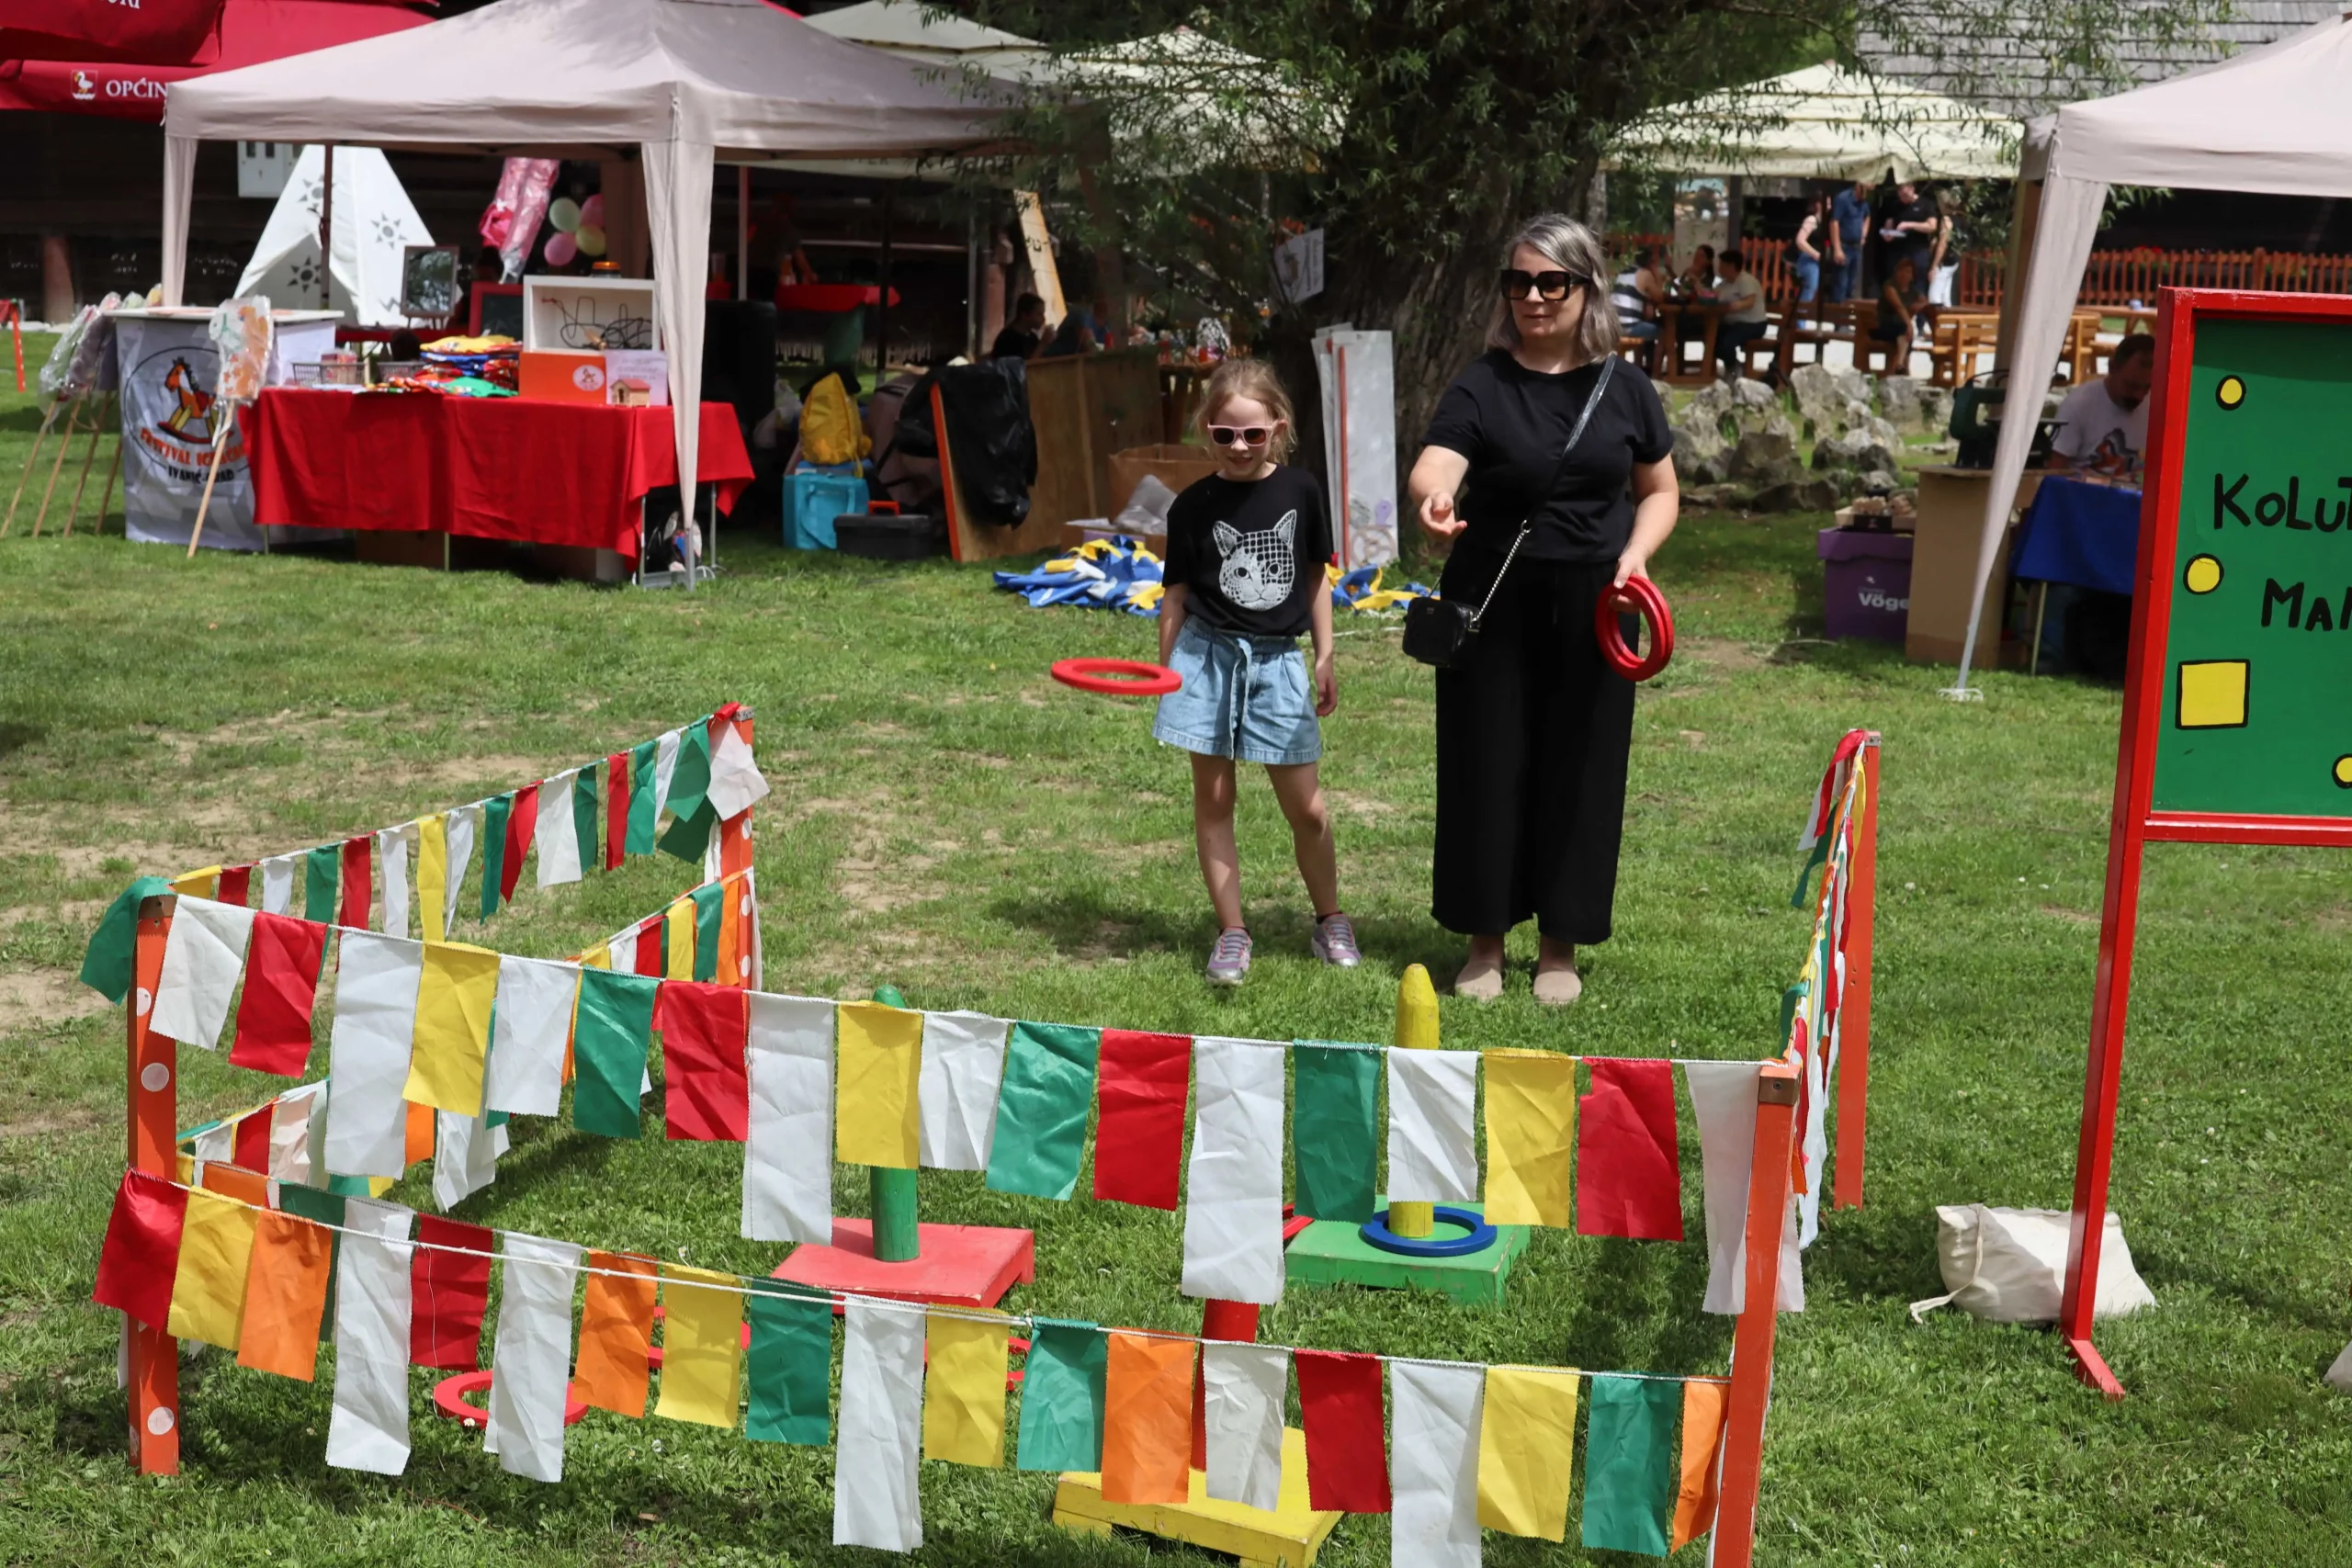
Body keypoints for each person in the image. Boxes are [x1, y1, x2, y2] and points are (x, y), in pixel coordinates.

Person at [1408, 214, 1679, 1004]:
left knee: (1582, 768)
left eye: (1550, 281)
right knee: (1484, 765)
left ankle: (1559, 947)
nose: (1532, 295)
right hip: (1490, 596)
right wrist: (1436, 496)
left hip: (1598, 597)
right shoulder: (1483, 381)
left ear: (1585, 288)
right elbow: (1438, 458)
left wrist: (1634, 555)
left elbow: (1660, 492)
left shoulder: (1624, 386)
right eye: (1519, 280)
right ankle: (1484, 944)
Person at [1154, 356, 1355, 986]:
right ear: (1207, 430)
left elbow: (1318, 576)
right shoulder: (1191, 507)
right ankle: (1233, 932)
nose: (1238, 446)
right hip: (1206, 658)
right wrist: (1167, 675)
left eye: (1252, 434)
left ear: (1277, 426)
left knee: (1309, 809)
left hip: (1276, 663)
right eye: (1224, 435)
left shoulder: (1300, 491)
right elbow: (1177, 596)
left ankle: (1330, 918)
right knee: (1214, 802)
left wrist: (1324, 655)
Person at [2047, 333, 2156, 477]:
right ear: (2112, 368)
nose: (2140, 395)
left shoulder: (2156, 406)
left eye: (2147, 388)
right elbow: (2054, 472)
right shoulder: (2079, 404)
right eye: (2131, 386)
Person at [1713, 249, 1770, 377]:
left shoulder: (1745, 280)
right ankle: (1734, 364)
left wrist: (1732, 307)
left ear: (1731, 266)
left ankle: (1733, 368)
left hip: (1752, 324)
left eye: (1722, 265)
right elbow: (1712, 296)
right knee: (1711, 338)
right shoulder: (1724, 283)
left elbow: (1750, 301)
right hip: (1732, 323)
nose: (1719, 268)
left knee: (1727, 343)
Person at [1871, 254, 1931, 369]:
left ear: (1913, 276)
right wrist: (1910, 325)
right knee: (1904, 330)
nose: (1904, 274)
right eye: (1901, 270)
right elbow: (1899, 306)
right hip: (1883, 326)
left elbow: (1926, 303)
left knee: (1904, 332)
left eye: (1908, 272)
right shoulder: (1889, 286)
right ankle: (1900, 366)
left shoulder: (1914, 292)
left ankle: (1900, 366)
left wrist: (1917, 307)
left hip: (1901, 328)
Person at [1880, 180, 1939, 282]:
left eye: (1905, 194)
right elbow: (1888, 224)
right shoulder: (1895, 206)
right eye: (1900, 194)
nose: (1903, 198)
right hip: (1898, 251)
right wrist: (1887, 234)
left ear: (1912, 189)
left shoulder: (1925, 204)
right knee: (1896, 281)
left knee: (1918, 282)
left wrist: (1909, 225)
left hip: (1918, 251)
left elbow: (1932, 226)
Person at [1828, 179, 1871, 302]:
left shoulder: (1863, 202)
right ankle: (1838, 317)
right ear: (1857, 187)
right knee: (1841, 282)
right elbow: (1834, 222)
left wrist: (1863, 235)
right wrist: (1837, 248)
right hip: (1843, 244)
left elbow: (1867, 216)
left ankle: (1849, 314)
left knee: (1852, 283)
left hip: (1856, 246)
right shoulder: (1843, 199)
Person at [1609, 246, 1664, 341]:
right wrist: (1657, 275)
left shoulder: (1624, 272)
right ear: (1651, 263)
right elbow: (1660, 297)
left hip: (1613, 326)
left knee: (1643, 324)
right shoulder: (1645, 274)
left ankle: (1640, 356)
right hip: (1629, 327)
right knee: (1664, 332)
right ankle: (1662, 356)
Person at [1789, 192, 1827, 308]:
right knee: (1810, 289)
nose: (1830, 207)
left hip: (1817, 261)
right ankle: (1800, 317)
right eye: (1828, 204)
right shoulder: (1811, 220)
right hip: (1808, 260)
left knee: (1812, 290)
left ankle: (1801, 316)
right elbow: (1800, 240)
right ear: (1819, 204)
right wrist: (1815, 254)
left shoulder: (1824, 222)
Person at [990, 292, 1046, 360]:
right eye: (1039, 314)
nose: (1043, 319)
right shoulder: (1008, 339)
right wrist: (1043, 344)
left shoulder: (1032, 338)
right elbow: (1024, 368)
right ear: (1024, 315)